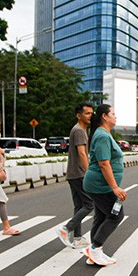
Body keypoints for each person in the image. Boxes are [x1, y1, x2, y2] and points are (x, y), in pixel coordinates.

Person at [81, 104, 126, 267]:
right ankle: (95, 248)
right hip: (100, 185)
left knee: (101, 217)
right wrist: (115, 187)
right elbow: (104, 163)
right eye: (113, 113)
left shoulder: (104, 134)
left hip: (100, 184)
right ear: (104, 117)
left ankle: (95, 253)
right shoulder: (102, 136)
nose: (115, 116)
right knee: (116, 215)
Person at [55, 104, 94, 248]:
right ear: (79, 115)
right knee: (90, 204)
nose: (90, 115)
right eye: (87, 113)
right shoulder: (79, 131)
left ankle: (77, 238)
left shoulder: (79, 130)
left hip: (73, 173)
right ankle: (66, 228)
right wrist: (89, 172)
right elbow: (82, 153)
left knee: (80, 205)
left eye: (91, 113)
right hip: (79, 173)